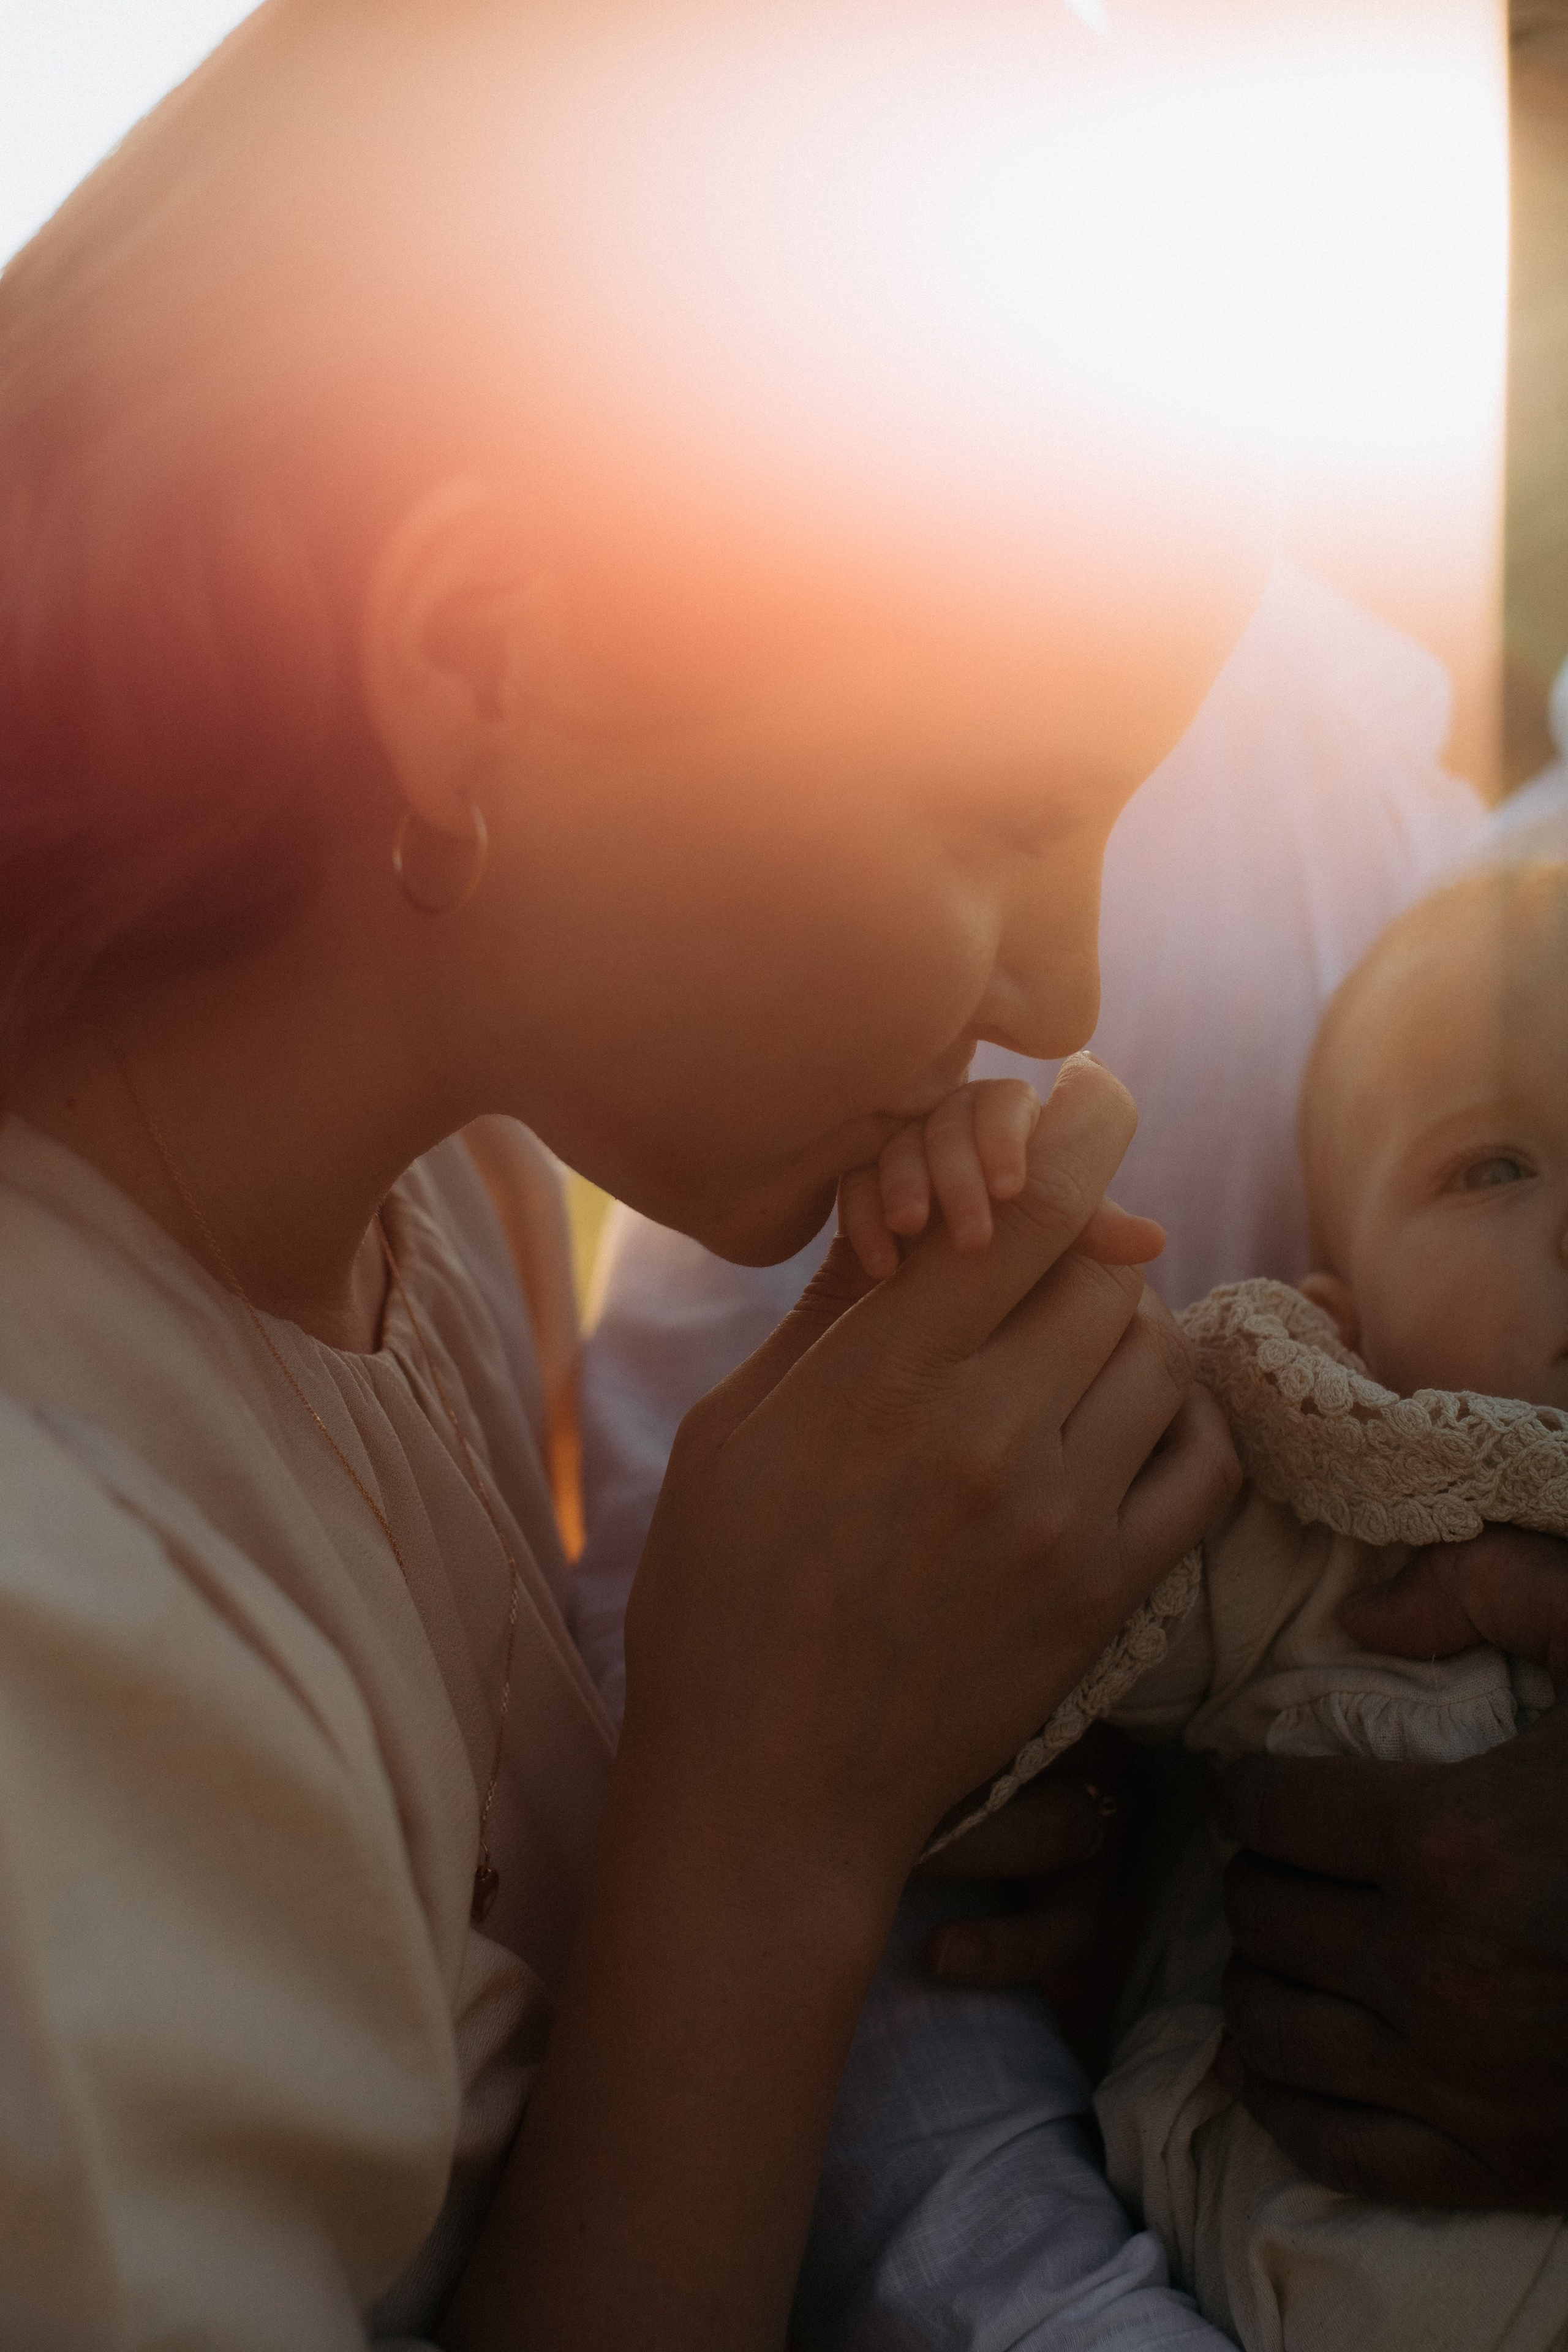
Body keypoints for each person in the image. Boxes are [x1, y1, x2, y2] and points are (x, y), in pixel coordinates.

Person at [0, 1, 1269, 2344]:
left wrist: (908, 1814)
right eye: (1006, 815)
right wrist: (764, 1839)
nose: (1069, 991)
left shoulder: (435, 1185)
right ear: (472, 662)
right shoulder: (55, 1651)